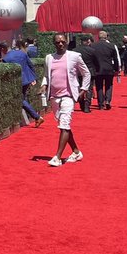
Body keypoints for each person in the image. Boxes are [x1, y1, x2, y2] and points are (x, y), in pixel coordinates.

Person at [44, 32, 92, 166]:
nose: (60, 44)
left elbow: (86, 73)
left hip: (69, 96)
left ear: (66, 42)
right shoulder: (49, 58)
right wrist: (44, 85)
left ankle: (57, 157)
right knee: (63, 126)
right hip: (54, 97)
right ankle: (76, 152)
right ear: (54, 43)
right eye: (57, 42)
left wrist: (84, 89)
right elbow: (47, 75)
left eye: (62, 41)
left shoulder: (74, 56)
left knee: (64, 124)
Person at [3, 38, 44, 127]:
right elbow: (30, 65)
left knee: (21, 100)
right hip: (26, 80)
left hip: (18, 82)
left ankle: (37, 117)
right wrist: (34, 78)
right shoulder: (22, 53)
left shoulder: (6, 58)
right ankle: (34, 117)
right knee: (23, 99)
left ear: (3, 49)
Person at [88, 30, 119, 110]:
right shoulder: (111, 46)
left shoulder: (93, 46)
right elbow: (115, 59)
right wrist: (116, 69)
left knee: (99, 86)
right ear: (106, 37)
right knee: (109, 85)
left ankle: (101, 104)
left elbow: (91, 58)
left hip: (98, 69)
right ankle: (108, 100)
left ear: (98, 37)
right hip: (109, 68)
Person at [74, 36, 96, 112]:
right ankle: (87, 106)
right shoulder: (92, 50)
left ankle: (82, 105)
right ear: (87, 41)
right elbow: (95, 61)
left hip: (79, 72)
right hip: (90, 71)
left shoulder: (75, 50)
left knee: (80, 88)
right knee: (89, 89)